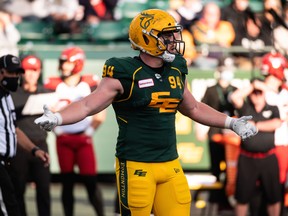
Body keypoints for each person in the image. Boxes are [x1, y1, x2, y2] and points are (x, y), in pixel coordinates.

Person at [34, 9, 257, 216]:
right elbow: (87, 105)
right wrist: (58, 117)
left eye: (172, 35)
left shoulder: (177, 68)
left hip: (170, 164)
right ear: (147, 38)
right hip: (136, 165)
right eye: (167, 35)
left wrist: (231, 122)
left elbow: (194, 107)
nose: (173, 41)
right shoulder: (124, 71)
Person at [43, 46, 106, 216]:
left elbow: (101, 112)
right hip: (63, 139)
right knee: (67, 182)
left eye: (67, 62)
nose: (63, 66)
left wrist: (90, 131)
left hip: (83, 138)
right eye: (62, 62)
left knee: (90, 181)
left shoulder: (90, 83)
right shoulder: (53, 84)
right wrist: (56, 130)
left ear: (77, 63)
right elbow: (46, 111)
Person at [0, 54, 49, 216]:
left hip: (8, 163)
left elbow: (14, 130)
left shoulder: (7, 96)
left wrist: (34, 150)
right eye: (11, 73)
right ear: (1, 73)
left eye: (17, 74)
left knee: (12, 206)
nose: (15, 77)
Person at [230, 78, 282, 216]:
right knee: (242, 197)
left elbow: (276, 123)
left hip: (268, 157)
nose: (257, 95)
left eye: (260, 92)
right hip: (247, 158)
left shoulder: (272, 108)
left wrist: (254, 125)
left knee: (274, 196)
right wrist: (252, 86)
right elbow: (235, 96)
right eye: (254, 92)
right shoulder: (246, 108)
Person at [195, 56, 237, 214]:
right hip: (215, 132)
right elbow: (200, 108)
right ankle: (216, 199)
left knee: (231, 167)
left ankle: (227, 198)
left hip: (230, 134)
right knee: (215, 167)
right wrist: (199, 128)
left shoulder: (234, 89)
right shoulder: (211, 89)